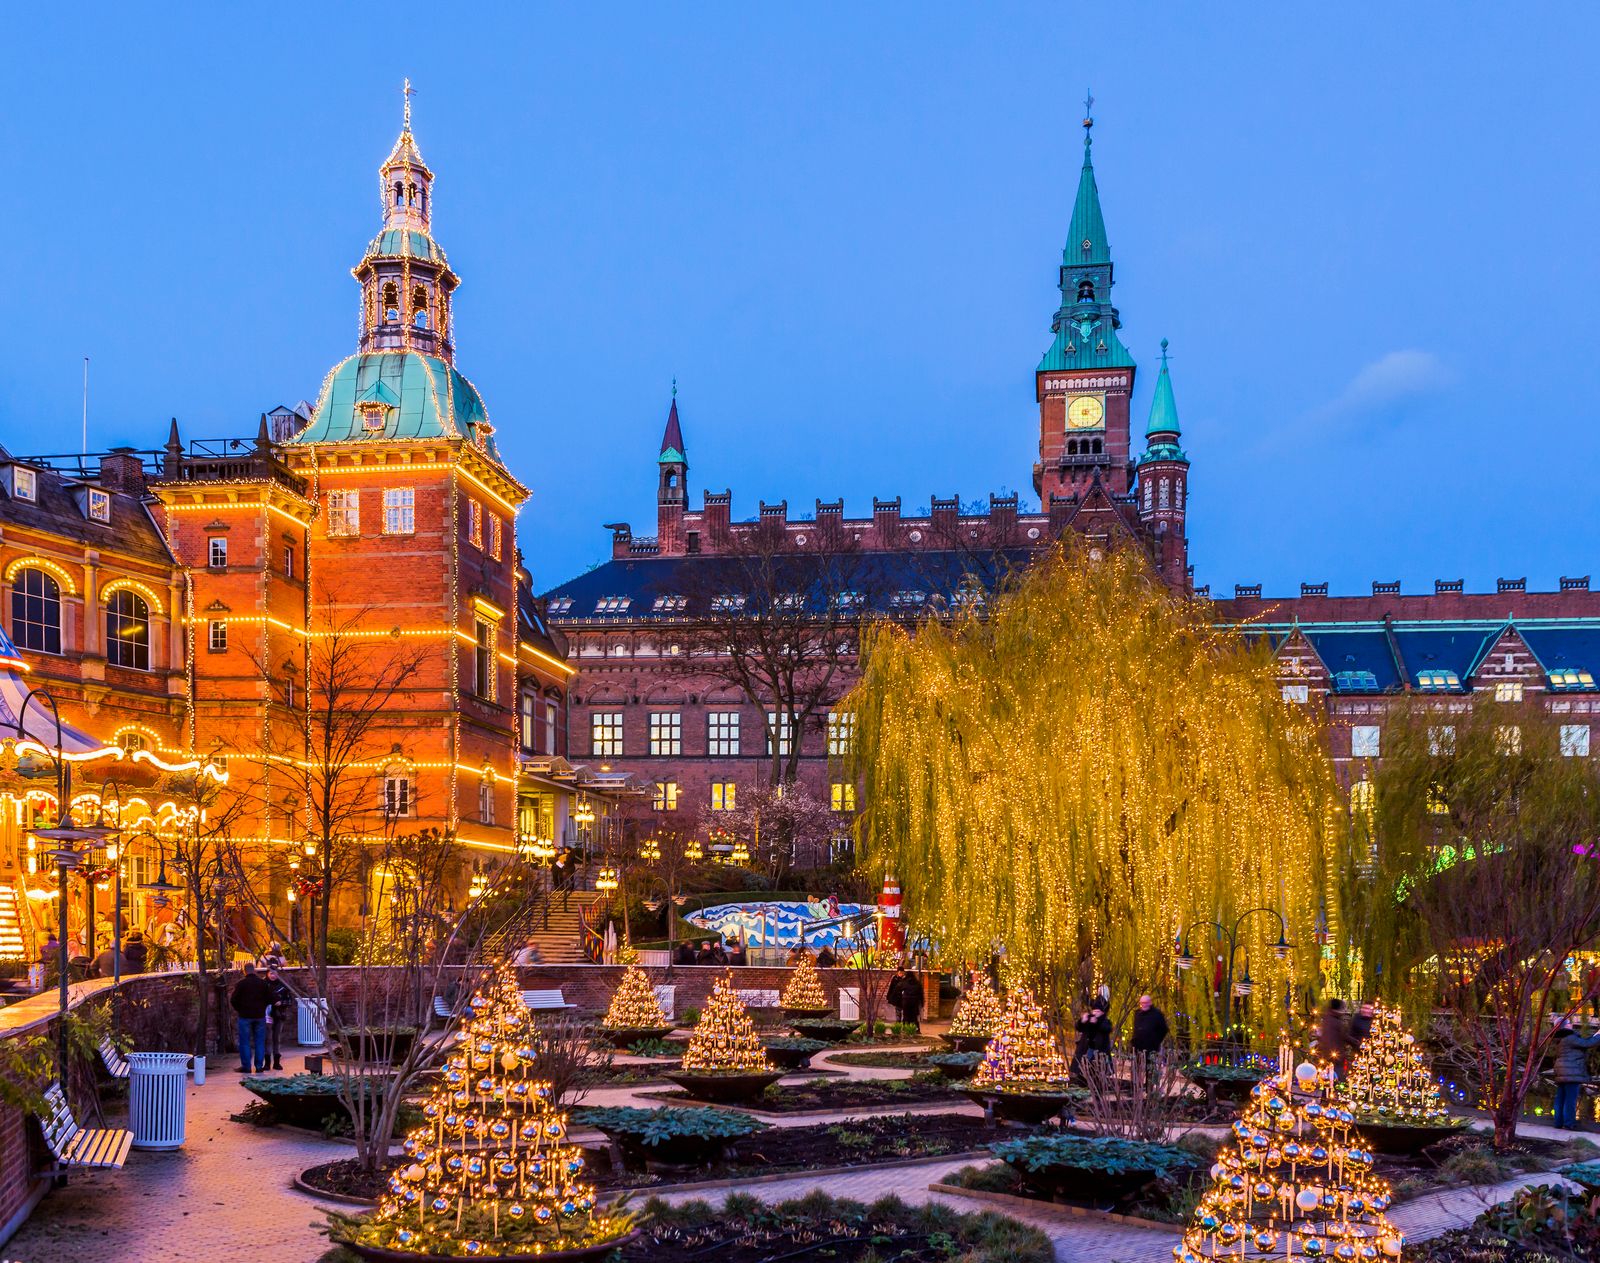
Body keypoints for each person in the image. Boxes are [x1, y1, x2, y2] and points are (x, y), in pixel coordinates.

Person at [1552, 1016, 1600, 1130]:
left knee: (1561, 1098)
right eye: (1569, 1023)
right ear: (1566, 1026)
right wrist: (1598, 1035)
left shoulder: (1560, 1038)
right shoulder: (1570, 1037)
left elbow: (1583, 1042)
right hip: (1571, 1072)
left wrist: (1595, 1036)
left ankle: (1558, 1123)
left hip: (1561, 1071)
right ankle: (1569, 1124)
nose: (1571, 1024)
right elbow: (1587, 1044)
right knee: (1570, 1099)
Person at [230, 962, 273, 1073]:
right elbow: (270, 998)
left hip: (245, 1016)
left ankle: (246, 1066)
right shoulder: (262, 984)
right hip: (259, 1016)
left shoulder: (241, 984)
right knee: (259, 1041)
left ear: (245, 971)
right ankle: (259, 1066)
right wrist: (262, 1007)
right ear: (254, 970)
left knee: (245, 1042)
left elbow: (233, 1000)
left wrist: (240, 1009)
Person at [263, 967, 295, 1071]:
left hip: (279, 1014)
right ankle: (267, 1063)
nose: (273, 976)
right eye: (271, 973)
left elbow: (290, 1001)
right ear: (267, 974)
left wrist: (282, 1003)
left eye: (275, 973)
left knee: (276, 1038)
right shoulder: (263, 985)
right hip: (266, 1015)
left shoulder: (283, 986)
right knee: (267, 1039)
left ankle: (276, 1062)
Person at [1073, 1001, 1112, 1077]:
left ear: (1102, 1013)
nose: (1095, 1013)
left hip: (1099, 1051)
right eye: (1094, 1011)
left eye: (1098, 1011)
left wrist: (1097, 1022)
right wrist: (1082, 1021)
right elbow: (1079, 1028)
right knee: (1083, 1070)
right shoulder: (1088, 1019)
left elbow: (1107, 1028)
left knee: (1096, 1073)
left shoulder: (1105, 1021)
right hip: (1086, 1049)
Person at [887, 965, 924, 1031]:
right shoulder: (918, 983)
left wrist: (891, 997)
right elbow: (921, 994)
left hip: (906, 1002)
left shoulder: (905, 982)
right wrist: (922, 1002)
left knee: (906, 1016)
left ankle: (904, 1028)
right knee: (914, 1016)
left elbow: (897, 988)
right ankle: (916, 1029)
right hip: (914, 1003)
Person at [1317, 999, 1350, 1073]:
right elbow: (1345, 1036)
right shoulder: (1337, 1022)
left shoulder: (1326, 1019)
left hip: (1326, 1054)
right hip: (1337, 1055)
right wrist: (1358, 1043)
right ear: (1339, 1008)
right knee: (1337, 1074)